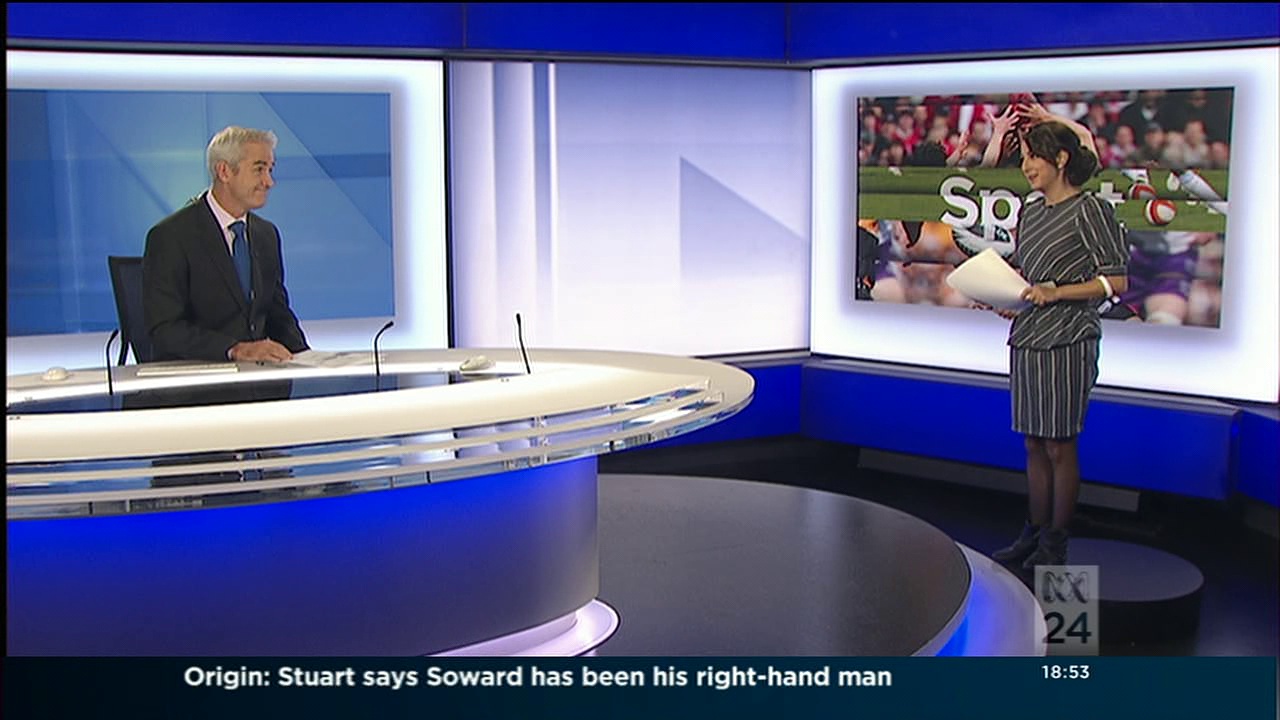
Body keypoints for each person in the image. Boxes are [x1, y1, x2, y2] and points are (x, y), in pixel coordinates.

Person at [989, 121, 1129, 569]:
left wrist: (1057, 292)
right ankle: (1032, 532)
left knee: (1058, 446)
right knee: (1033, 442)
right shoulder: (1031, 213)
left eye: (1033, 156)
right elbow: (1030, 278)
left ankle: (1056, 543)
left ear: (1061, 159)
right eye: (1024, 158)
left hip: (1069, 337)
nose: (1026, 166)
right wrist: (1012, 300)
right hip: (1029, 338)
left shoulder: (1090, 210)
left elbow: (1115, 281)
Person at [143, 126, 308, 363]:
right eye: (259, 169)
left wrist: (307, 359)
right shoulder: (171, 236)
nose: (269, 181)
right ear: (224, 171)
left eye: (270, 170)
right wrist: (234, 350)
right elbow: (165, 329)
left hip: (258, 377)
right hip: (200, 376)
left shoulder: (266, 235)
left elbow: (277, 314)